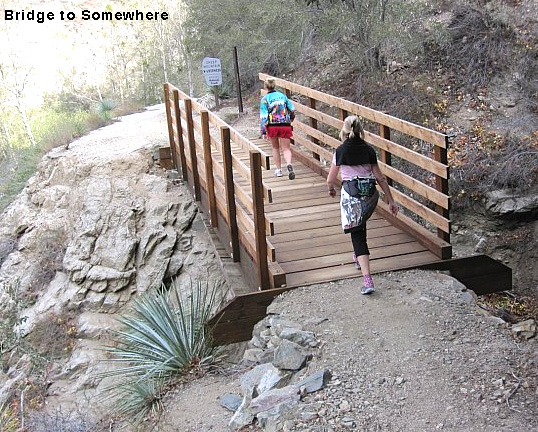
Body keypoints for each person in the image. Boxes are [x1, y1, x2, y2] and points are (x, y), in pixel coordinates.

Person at [327, 115, 399, 295]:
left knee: (357, 235)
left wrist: (331, 189)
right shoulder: (368, 150)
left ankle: (367, 280)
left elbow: (330, 179)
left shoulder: (340, 151)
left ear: (344, 129)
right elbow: (380, 178)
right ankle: (357, 257)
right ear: (361, 130)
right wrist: (391, 200)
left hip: (351, 196)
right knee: (360, 223)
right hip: (370, 196)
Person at [260, 78, 296, 180]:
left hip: (272, 126)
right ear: (274, 85)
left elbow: (263, 117)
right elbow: (292, 109)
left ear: (265, 86)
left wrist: (263, 131)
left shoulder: (265, 99)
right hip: (285, 125)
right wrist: (291, 118)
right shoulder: (282, 96)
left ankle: (279, 170)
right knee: (286, 148)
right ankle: (289, 164)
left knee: (275, 147)